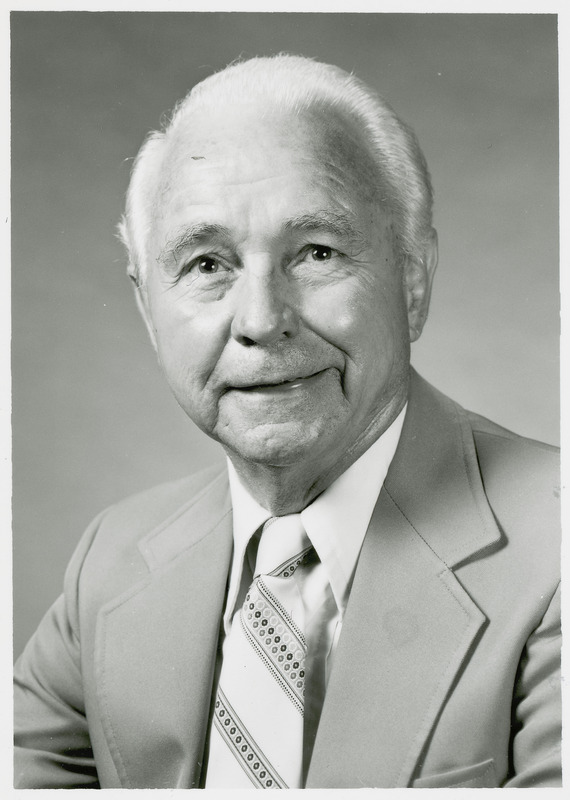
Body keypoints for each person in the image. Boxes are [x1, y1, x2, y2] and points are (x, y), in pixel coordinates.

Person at [13, 55, 560, 789]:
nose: (262, 321)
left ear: (413, 279)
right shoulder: (109, 561)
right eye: (207, 264)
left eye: (317, 252)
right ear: (148, 309)